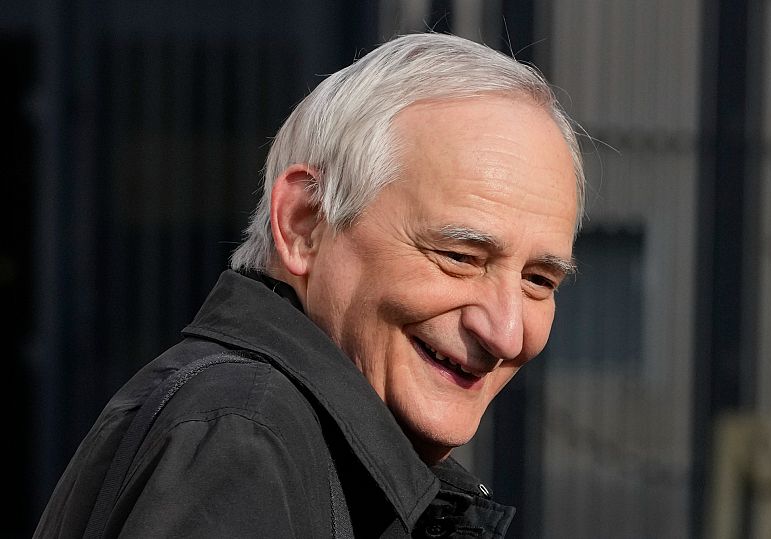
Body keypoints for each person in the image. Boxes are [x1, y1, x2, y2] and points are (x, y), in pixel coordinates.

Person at [35, 32, 584, 538]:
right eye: (459, 256)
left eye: (539, 280)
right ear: (304, 222)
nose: (507, 333)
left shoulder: (284, 442)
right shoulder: (247, 438)